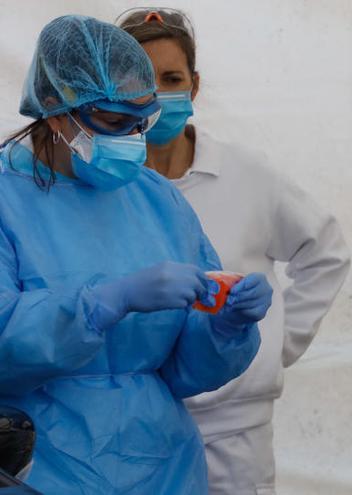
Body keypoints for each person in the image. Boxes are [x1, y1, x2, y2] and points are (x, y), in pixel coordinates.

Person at [0, 15, 272, 494]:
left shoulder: (156, 199)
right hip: (41, 467)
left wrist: (223, 327)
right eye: (111, 122)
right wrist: (103, 303)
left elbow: (183, 372)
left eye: (137, 122)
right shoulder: (7, 200)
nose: (128, 140)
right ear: (53, 106)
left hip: (162, 466)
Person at [117, 9, 351, 494]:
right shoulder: (108, 181)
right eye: (142, 78)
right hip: (134, 422)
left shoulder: (246, 174)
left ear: (196, 85)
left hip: (233, 430)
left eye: (172, 78)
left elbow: (324, 250)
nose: (158, 92)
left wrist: (273, 345)